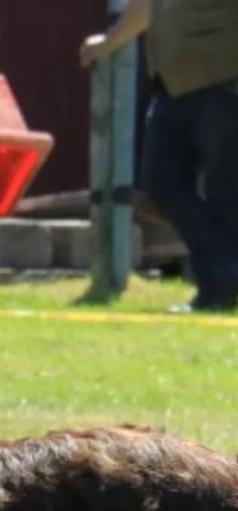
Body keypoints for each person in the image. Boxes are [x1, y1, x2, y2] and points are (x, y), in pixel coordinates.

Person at [81, 0, 238, 313]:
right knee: (161, 181)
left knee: (226, 190)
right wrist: (110, 41)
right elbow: (146, 7)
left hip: (223, 81)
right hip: (171, 85)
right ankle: (224, 272)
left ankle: (217, 288)